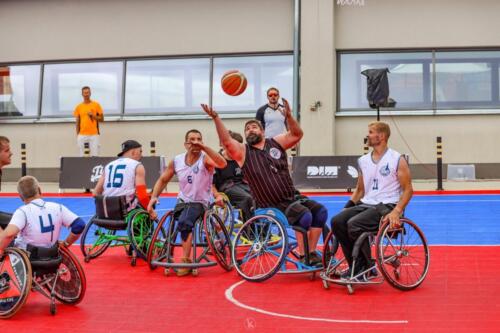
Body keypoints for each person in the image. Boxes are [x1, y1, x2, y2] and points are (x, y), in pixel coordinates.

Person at [202, 100, 327, 267]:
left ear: (262, 131)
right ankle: (306, 255)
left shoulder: (276, 142)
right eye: (247, 129)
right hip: (270, 203)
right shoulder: (243, 152)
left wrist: (289, 117)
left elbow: (297, 135)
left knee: (320, 212)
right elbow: (226, 142)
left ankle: (310, 253)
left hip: (291, 196)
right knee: (304, 216)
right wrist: (216, 118)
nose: (250, 130)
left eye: (253, 127)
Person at [330, 121, 413, 279]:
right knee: (337, 221)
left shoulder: (396, 159)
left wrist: (397, 211)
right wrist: (346, 208)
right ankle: (357, 265)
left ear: (381, 136)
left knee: (354, 224)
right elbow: (360, 190)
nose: (367, 135)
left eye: (370, 132)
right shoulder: (363, 161)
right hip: (367, 204)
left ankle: (366, 267)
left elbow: (408, 189)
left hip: (387, 206)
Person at [147, 129, 226, 276]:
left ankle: (186, 260)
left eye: (198, 139)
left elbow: (222, 163)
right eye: (192, 139)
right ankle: (165, 248)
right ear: (186, 144)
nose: (195, 142)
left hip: (200, 202)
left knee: (184, 221)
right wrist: (153, 197)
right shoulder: (177, 160)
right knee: (172, 221)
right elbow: (163, 179)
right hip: (182, 201)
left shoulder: (205, 158)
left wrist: (204, 147)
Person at [0, 176, 86, 257]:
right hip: (53, 254)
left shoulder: (22, 212)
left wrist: (0, 249)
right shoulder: (58, 207)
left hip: (28, 256)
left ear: (21, 197)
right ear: (39, 190)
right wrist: (66, 244)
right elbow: (79, 225)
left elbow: (9, 234)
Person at [93, 140, 150, 211]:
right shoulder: (137, 165)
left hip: (106, 209)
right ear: (133, 152)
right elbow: (142, 195)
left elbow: (95, 193)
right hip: (125, 209)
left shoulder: (108, 165)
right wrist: (150, 210)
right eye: (140, 151)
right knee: (149, 203)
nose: (142, 155)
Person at [212, 131, 254, 222]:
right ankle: (250, 230)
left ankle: (262, 227)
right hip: (227, 188)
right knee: (248, 198)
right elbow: (211, 184)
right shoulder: (217, 159)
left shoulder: (241, 158)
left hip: (242, 185)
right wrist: (217, 195)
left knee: (259, 195)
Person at [73, 86, 104, 156]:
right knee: (83, 155)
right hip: (82, 135)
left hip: (94, 135)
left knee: (95, 155)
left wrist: (93, 116)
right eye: (84, 93)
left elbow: (102, 119)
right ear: (82, 94)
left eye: (87, 92)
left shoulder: (96, 105)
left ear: (90, 93)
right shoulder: (79, 107)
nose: (86, 94)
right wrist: (78, 135)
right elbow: (77, 122)